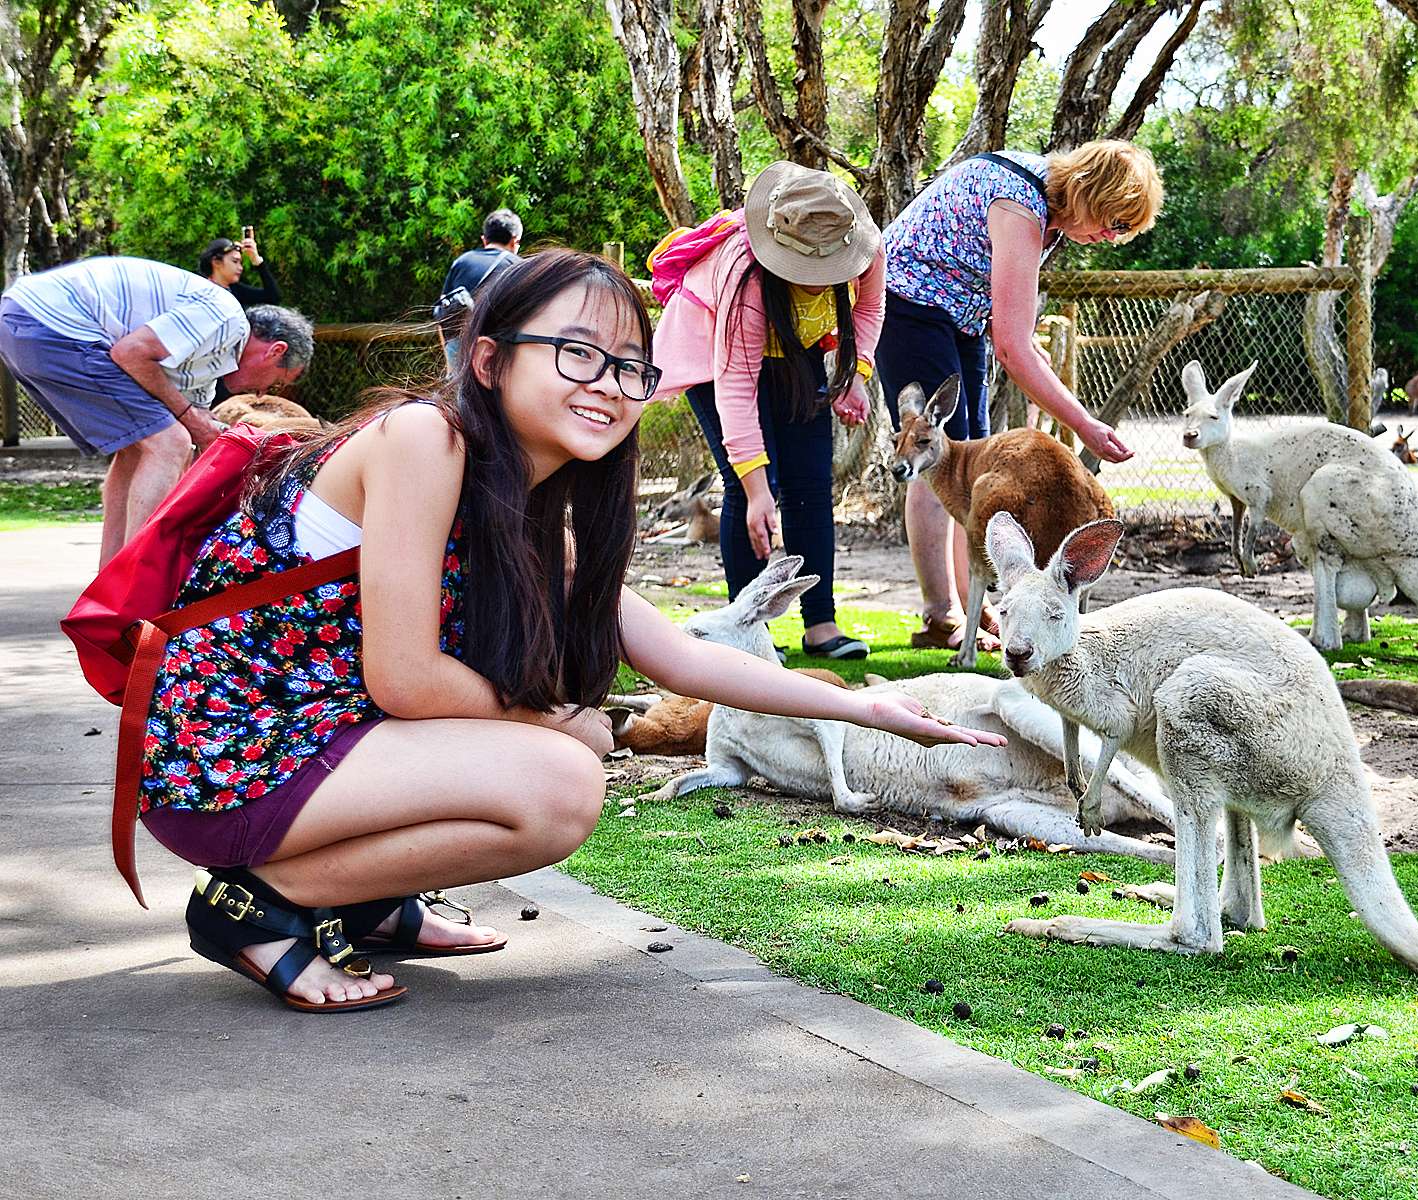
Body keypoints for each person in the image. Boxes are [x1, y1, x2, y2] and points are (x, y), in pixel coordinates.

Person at [140, 247, 1003, 1012]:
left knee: (567, 763)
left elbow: (676, 655)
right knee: (561, 777)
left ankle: (363, 901)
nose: (609, 384)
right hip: (229, 759)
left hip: (326, 748)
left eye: (630, 367)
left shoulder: (530, 497)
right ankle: (255, 903)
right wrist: (554, 720)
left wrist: (866, 708)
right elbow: (403, 678)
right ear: (488, 359)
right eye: (577, 354)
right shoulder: (423, 439)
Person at [876, 140, 1162, 651]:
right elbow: (1011, 347)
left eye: (1123, 229)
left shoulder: (1051, 216)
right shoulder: (1020, 206)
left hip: (959, 315)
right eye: (1113, 221)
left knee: (974, 461)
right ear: (1087, 192)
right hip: (908, 304)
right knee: (941, 459)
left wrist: (1026, 348)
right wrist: (1084, 425)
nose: (1110, 236)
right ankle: (943, 614)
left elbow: (1011, 327)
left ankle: (976, 606)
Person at [653, 162, 883, 659]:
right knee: (752, 487)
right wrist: (760, 492)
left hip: (792, 351)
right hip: (714, 352)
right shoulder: (748, 276)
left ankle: (821, 624)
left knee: (809, 485)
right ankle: (747, 628)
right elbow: (736, 388)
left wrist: (854, 376)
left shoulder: (861, 244)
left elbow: (868, 309)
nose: (823, 280)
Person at [0, 255, 314, 566]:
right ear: (275, 351)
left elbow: (199, 443)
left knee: (142, 449)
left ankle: (108, 581)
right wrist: (191, 419)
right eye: (274, 383)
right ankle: (133, 579)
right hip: (51, 321)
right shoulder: (225, 318)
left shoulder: (206, 367)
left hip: (24, 320)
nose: (261, 394)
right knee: (169, 442)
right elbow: (130, 353)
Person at [437, 207, 524, 367]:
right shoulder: (520, 268)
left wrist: (452, 367)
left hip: (462, 360)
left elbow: (443, 313)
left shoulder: (462, 262)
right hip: (500, 361)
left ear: (485, 240)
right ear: (514, 241)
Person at [199, 228, 282, 306]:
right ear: (216, 262)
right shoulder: (200, 291)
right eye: (235, 261)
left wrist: (257, 260)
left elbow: (273, 297)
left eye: (240, 263)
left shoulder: (237, 290)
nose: (240, 267)